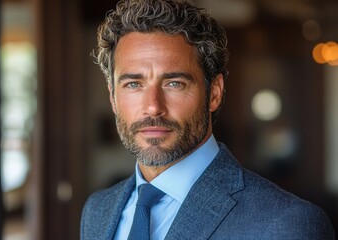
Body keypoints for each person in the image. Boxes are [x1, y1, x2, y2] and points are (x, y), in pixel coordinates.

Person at [80, 0, 336, 239]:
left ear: (214, 92)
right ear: (113, 97)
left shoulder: (287, 224)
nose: (153, 107)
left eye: (174, 83)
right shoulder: (98, 210)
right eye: (134, 84)